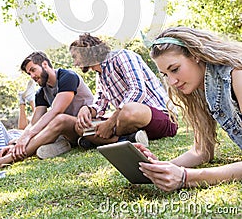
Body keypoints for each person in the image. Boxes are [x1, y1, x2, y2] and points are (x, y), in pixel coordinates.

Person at [136, 26, 242, 191]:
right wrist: (159, 168)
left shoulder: (237, 75)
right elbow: (202, 152)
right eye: (165, 74)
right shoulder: (199, 92)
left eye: (175, 69)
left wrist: (185, 178)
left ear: (196, 55)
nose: (172, 82)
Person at [0, 51, 94, 173]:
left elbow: (55, 111)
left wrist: (27, 136)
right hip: (67, 133)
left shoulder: (67, 76)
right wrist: (19, 141)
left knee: (60, 119)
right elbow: (34, 123)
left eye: (33, 70)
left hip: (86, 126)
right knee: (33, 137)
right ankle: (59, 146)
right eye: (29, 73)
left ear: (44, 64)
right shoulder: (41, 93)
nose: (32, 76)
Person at [69, 33, 178, 150]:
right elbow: (99, 106)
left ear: (86, 52)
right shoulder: (100, 75)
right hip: (126, 123)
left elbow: (138, 90)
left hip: (162, 118)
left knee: (129, 110)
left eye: (75, 57)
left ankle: (106, 141)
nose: (75, 63)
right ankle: (130, 139)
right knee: (81, 128)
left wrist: (110, 123)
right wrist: (87, 110)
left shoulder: (122, 56)